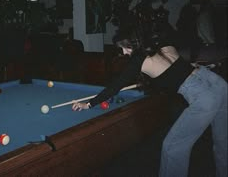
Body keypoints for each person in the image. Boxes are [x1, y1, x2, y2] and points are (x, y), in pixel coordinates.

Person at [72, 25, 227, 177]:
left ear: (134, 43)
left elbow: (114, 87)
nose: (124, 52)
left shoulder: (138, 61)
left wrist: (89, 103)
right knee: (223, 143)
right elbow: (171, 72)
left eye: (125, 47)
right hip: (216, 82)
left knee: (172, 147)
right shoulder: (162, 45)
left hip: (203, 96)